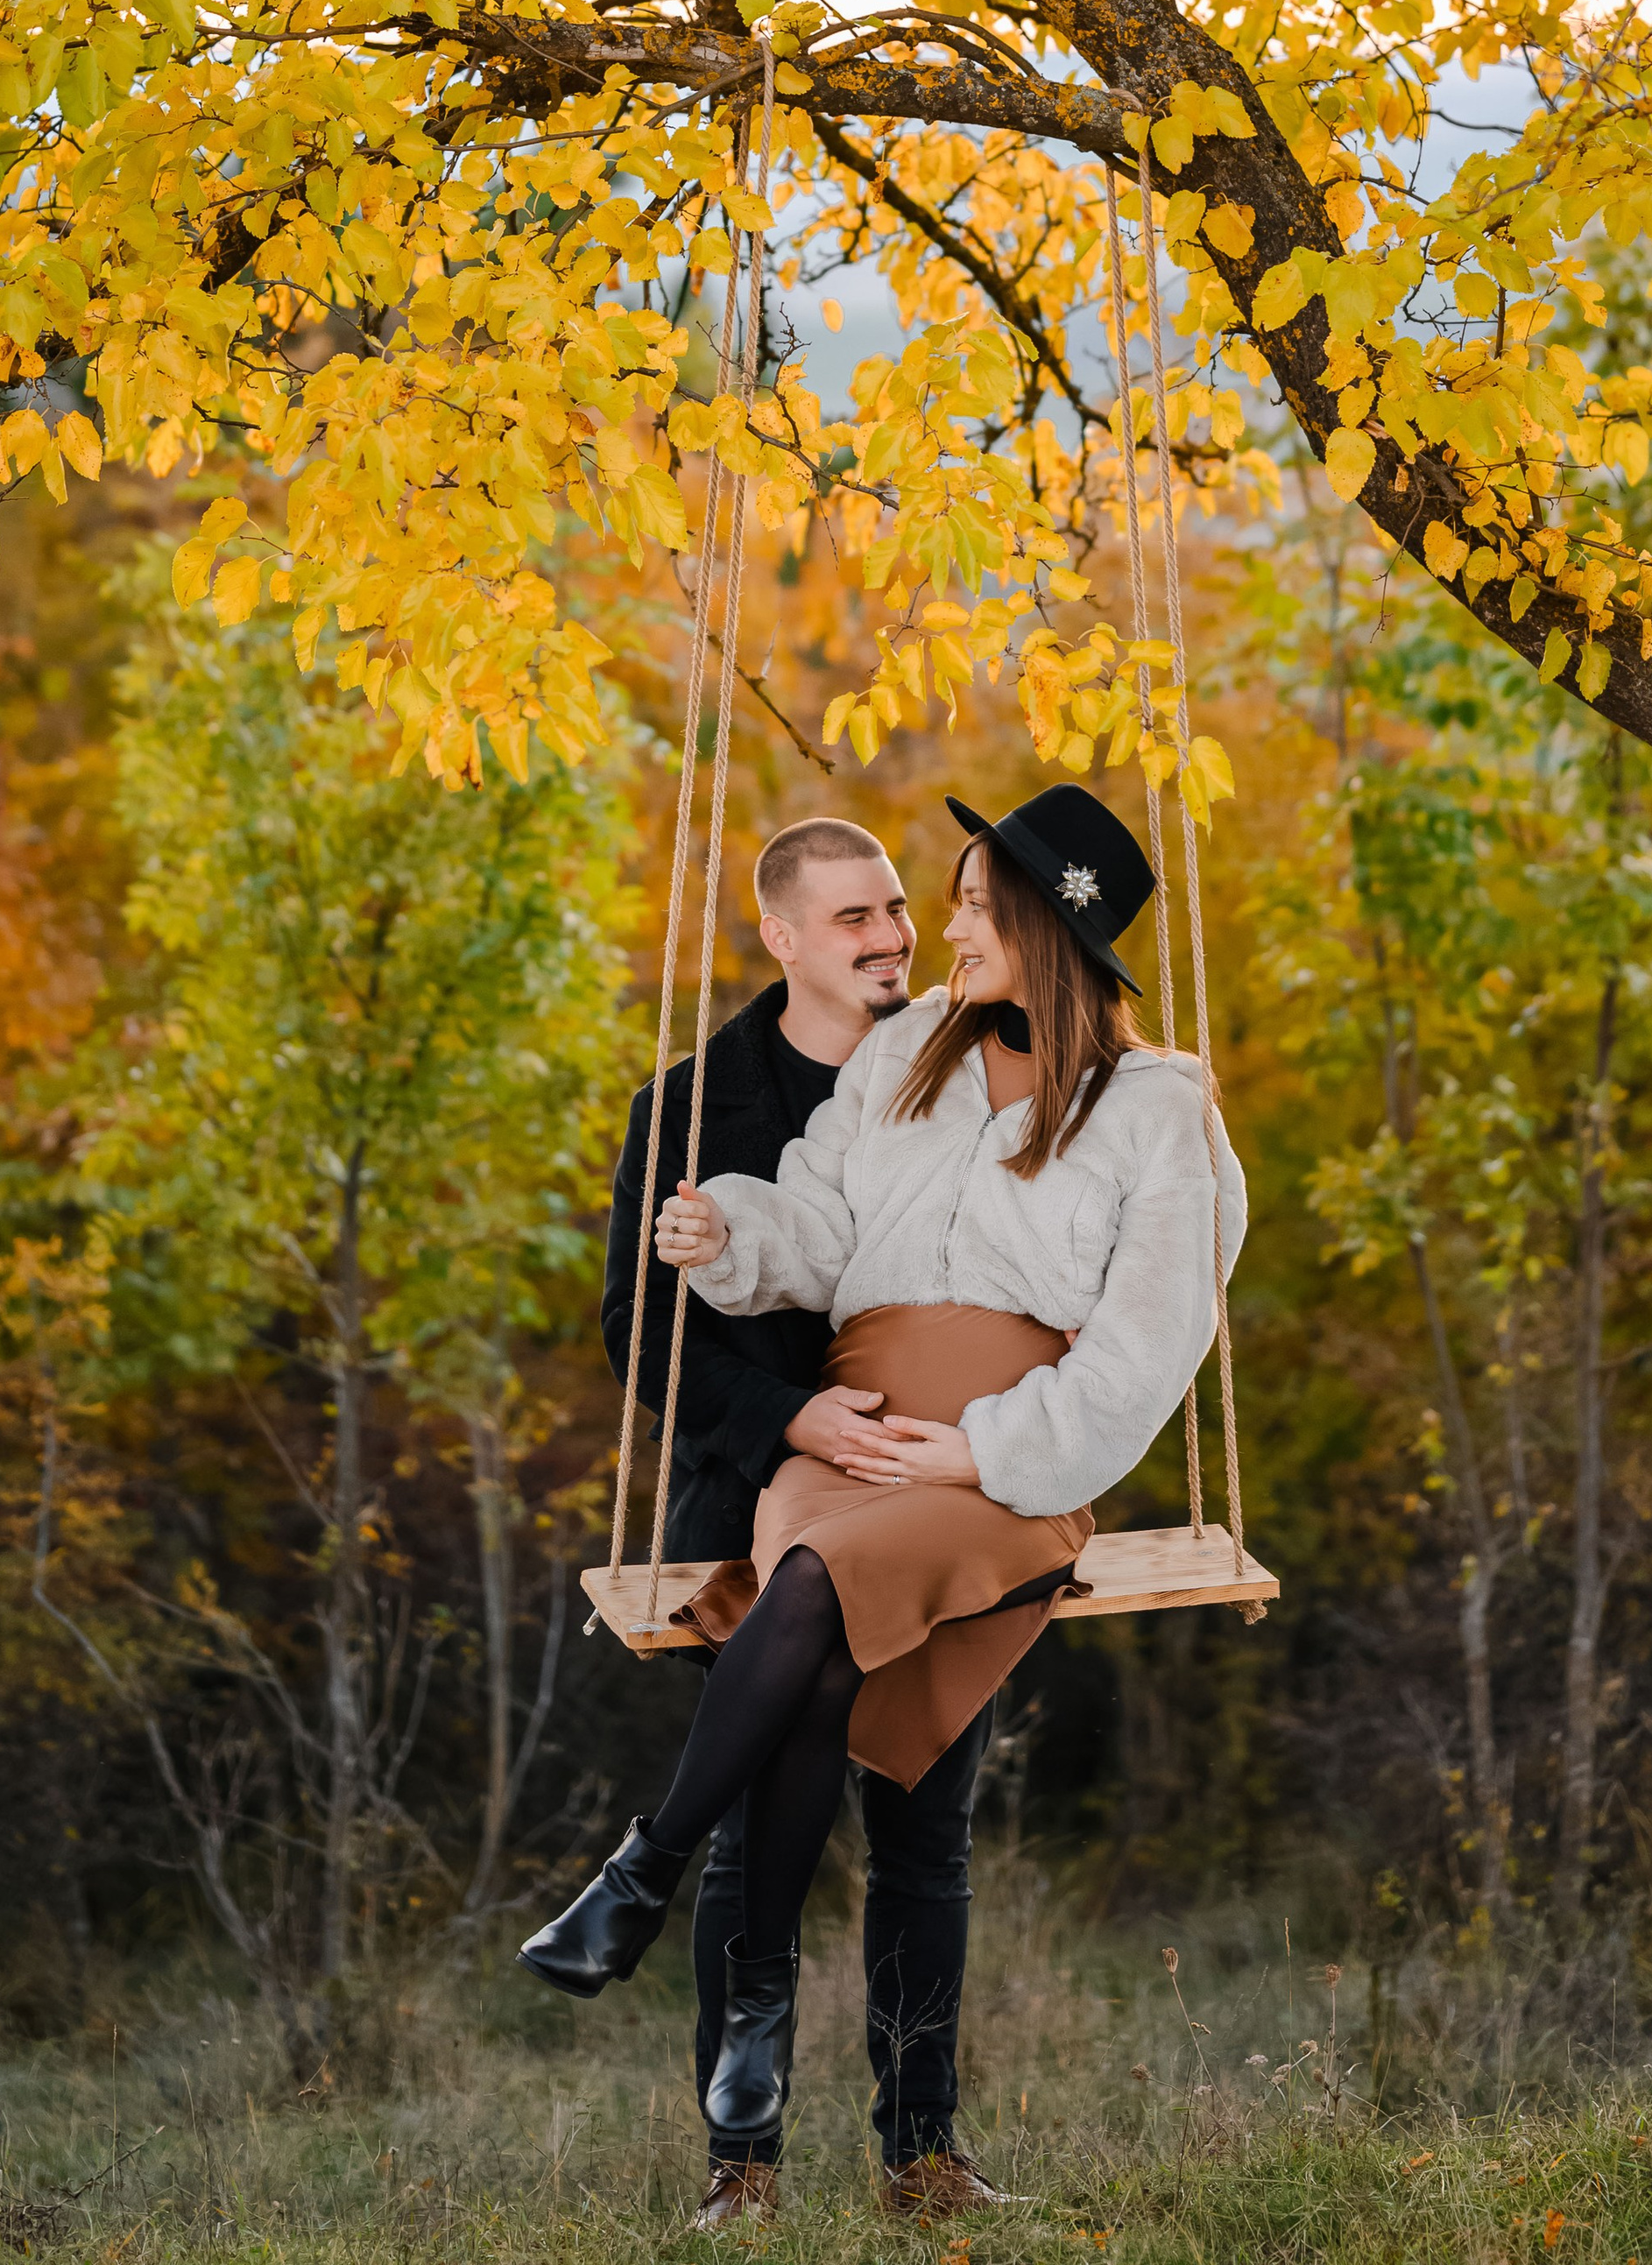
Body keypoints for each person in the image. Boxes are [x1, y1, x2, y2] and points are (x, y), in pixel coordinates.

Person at [526, 783, 1246, 2206]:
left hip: (1005, 1466)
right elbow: (822, 1218)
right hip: (849, 1441)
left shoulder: (1159, 1109)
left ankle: (643, 1873)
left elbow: (1149, 1343)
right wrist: (735, 1233)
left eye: (969, 905)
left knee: (813, 1612)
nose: (941, 932)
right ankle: (768, 2134)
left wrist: (982, 1451)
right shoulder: (909, 1052)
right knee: (808, 1625)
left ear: (1046, 927)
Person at [596, 815, 1010, 2228]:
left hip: (944, 1497)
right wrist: (791, 1420)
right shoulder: (693, 1105)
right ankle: (745, 2171)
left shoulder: (971, 1060)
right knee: (754, 1846)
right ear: (781, 937)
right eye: (855, 918)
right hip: (759, 1516)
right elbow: (637, 1332)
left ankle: (922, 2156)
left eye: (897, 908)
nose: (892, 937)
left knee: (927, 1837)